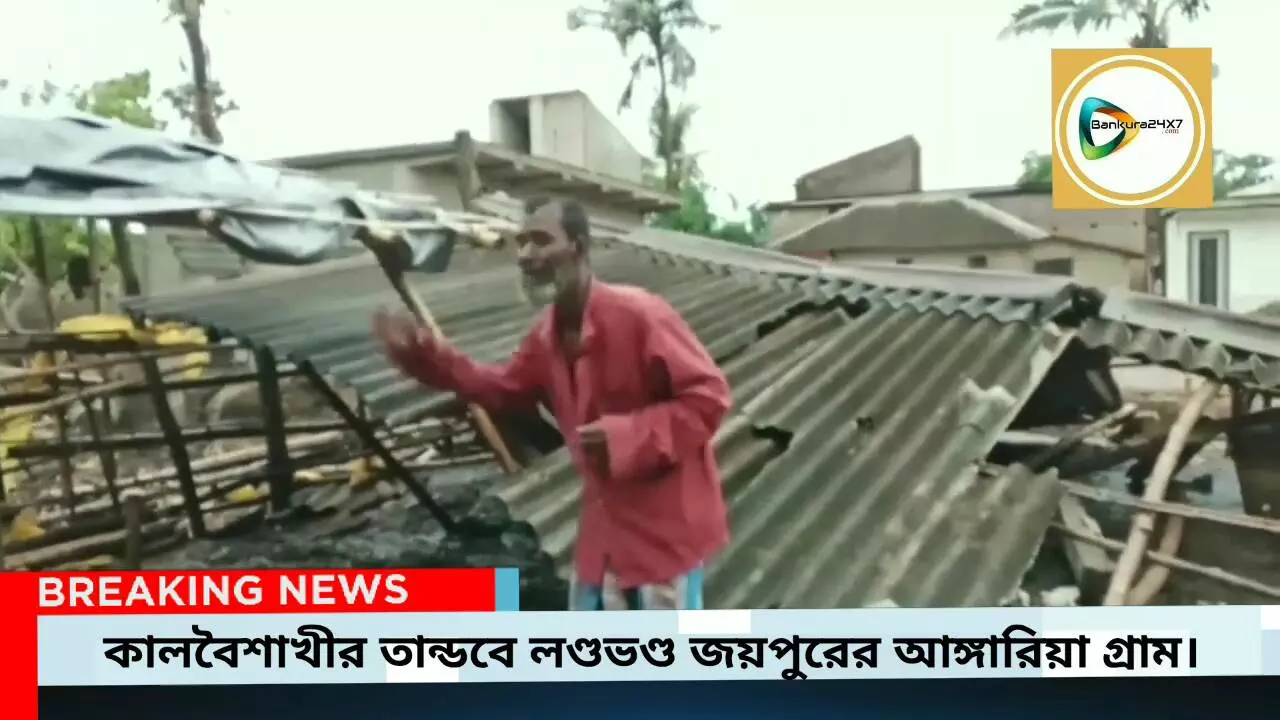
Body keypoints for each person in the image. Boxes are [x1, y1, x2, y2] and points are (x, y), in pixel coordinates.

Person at [372, 197, 731, 611]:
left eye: (541, 240)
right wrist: (427, 359)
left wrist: (627, 436)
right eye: (522, 242)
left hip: (665, 534)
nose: (526, 255)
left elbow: (709, 398)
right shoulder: (546, 335)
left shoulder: (641, 315)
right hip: (606, 532)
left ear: (579, 246)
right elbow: (505, 389)